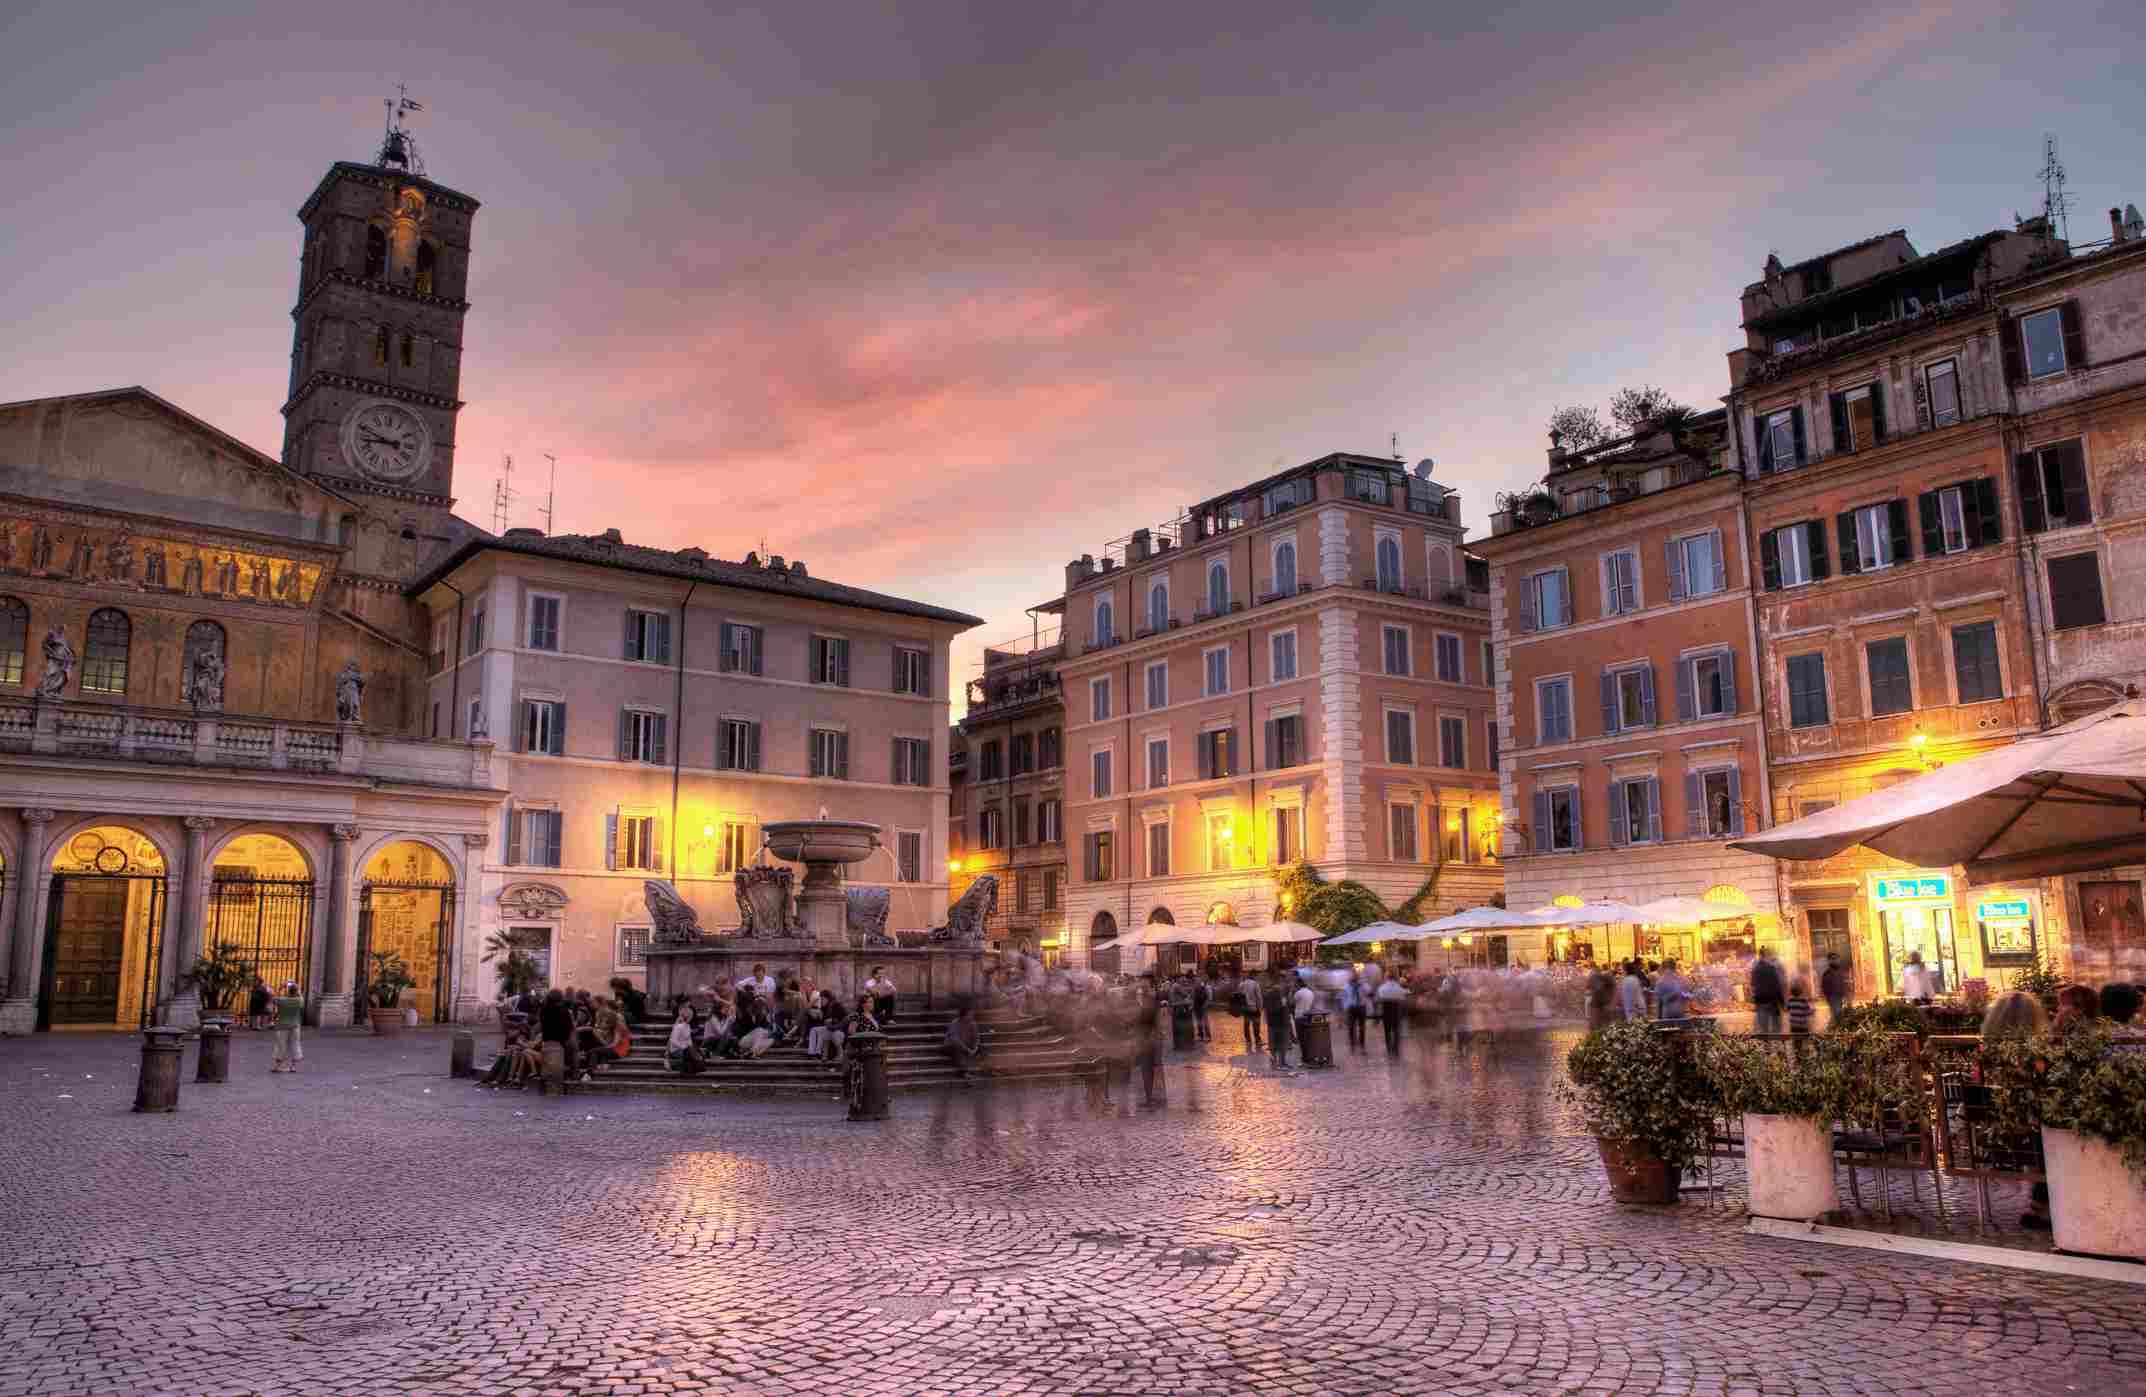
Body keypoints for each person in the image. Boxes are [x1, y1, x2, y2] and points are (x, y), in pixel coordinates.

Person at [1977, 990, 2052, 1228]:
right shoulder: (2035, 1052)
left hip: (1995, 1127)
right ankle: (2040, 1205)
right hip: (2028, 1129)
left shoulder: (1984, 1052)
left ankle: (2039, 1204)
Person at [538, 988, 576, 1083]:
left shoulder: (544, 1009)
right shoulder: (563, 1010)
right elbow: (570, 1027)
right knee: (574, 1050)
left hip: (547, 1039)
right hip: (561, 1039)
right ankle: (574, 1073)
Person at [1261, 974, 1295, 1070]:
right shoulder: (1280, 995)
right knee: (1282, 1044)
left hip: (1272, 1023)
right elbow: (1285, 1008)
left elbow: (1266, 1009)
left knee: (1273, 1044)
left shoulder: (1268, 995)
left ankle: (1274, 1063)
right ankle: (1282, 1063)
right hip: (1281, 1023)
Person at [269, 980, 304, 1072]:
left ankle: (277, 1066)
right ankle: (293, 1067)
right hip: (295, 1026)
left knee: (281, 1045)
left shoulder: (282, 1000)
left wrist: (280, 988)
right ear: (297, 991)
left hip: (282, 1026)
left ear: (288, 991)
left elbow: (273, 998)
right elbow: (300, 995)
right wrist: (297, 987)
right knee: (295, 1045)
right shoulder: (299, 1001)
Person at [1749, 948, 1786, 1033]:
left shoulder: (1755, 969)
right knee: (1776, 1026)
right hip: (1772, 1001)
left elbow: (1753, 985)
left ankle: (1765, 1044)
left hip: (1760, 1001)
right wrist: (1782, 1002)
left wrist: (1754, 1000)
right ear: (1766, 955)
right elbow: (1777, 985)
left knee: (1763, 1028)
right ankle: (1776, 1044)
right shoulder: (1771, 968)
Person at [945, 1004, 983, 1078]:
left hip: (967, 1045)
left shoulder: (973, 1024)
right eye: (970, 1014)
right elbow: (954, 1039)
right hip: (952, 1045)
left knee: (981, 1049)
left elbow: (976, 1037)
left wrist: (975, 1048)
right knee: (957, 1050)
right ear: (964, 1015)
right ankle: (964, 1072)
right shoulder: (955, 1023)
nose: (972, 1016)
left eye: (972, 1014)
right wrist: (967, 1050)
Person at [1375, 972, 1407, 1056]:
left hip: (1386, 1010)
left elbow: (1378, 999)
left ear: (1387, 978)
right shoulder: (1399, 988)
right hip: (1396, 1009)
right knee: (1396, 1030)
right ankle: (1396, 1048)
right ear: (1395, 978)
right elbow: (1403, 997)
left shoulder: (1382, 988)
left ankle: (1389, 1048)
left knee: (1387, 1030)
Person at [666, 1006, 703, 1075]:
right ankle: (672, 1064)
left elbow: (689, 1040)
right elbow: (673, 1041)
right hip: (676, 1050)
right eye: (690, 1016)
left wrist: (692, 1049)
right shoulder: (679, 1026)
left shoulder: (688, 1026)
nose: (691, 1017)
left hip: (686, 1049)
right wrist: (685, 1048)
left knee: (697, 1054)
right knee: (690, 1057)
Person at [1654, 958, 1692, 1022]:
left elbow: (1659, 1001)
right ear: (1675, 966)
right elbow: (1689, 994)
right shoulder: (1683, 979)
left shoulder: (1660, 981)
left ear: (1663, 967)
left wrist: (1658, 1019)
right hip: (1681, 1012)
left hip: (1667, 1012)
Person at [1291, 973, 1317, 1062]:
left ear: (1298, 984)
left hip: (1299, 1017)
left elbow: (1292, 1002)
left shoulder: (1298, 993)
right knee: (1308, 1038)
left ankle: (1305, 1057)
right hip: (1308, 1017)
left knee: (1301, 1038)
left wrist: (1291, 991)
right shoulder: (1311, 993)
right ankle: (1310, 1055)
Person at [1236, 968, 1263, 1052]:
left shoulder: (1242, 984)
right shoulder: (1255, 984)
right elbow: (1259, 997)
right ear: (1253, 975)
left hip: (1245, 1008)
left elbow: (1239, 997)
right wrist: (1260, 1007)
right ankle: (1257, 1039)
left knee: (1246, 1024)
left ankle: (1248, 1040)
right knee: (1256, 1024)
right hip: (1254, 1007)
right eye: (1256, 975)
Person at [1819, 953, 1849, 1026]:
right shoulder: (1827, 973)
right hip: (1833, 997)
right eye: (1833, 959)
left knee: (1838, 1014)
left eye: (1837, 959)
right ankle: (1833, 1028)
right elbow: (1824, 986)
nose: (1836, 961)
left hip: (1840, 997)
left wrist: (1846, 995)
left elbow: (1844, 984)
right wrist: (1828, 996)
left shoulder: (1841, 972)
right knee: (1837, 1014)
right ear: (1829, 961)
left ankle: (1834, 1028)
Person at [1342, 971, 1368, 1052]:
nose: (1354, 977)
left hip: (1361, 1007)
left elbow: (1369, 991)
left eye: (1356, 976)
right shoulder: (1347, 986)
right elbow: (1344, 997)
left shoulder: (1363, 985)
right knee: (1351, 1027)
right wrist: (1345, 1007)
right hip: (1351, 1008)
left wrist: (1363, 984)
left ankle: (1362, 1045)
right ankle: (1352, 1045)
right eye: (1353, 976)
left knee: (1362, 1028)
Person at [1585, 963, 1615, 1032]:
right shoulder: (1599, 977)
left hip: (1598, 1005)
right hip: (1599, 1004)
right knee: (1598, 1024)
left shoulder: (1596, 977)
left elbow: (1595, 988)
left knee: (1596, 1024)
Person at [1192, 973, 1212, 1042]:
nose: (1197, 981)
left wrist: (1205, 1005)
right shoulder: (1196, 987)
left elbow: (1209, 998)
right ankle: (1200, 1035)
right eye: (1196, 980)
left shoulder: (1207, 987)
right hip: (1197, 1006)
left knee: (1205, 1022)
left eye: (1198, 980)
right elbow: (1194, 997)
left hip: (1203, 1006)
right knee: (1199, 1022)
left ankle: (1208, 1036)